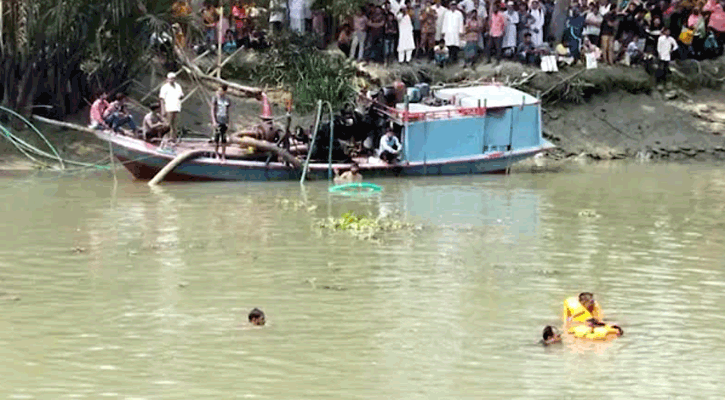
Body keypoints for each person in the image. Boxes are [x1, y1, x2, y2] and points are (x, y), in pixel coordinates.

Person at [159, 72, 184, 144]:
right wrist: (163, 110)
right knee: (167, 125)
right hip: (168, 108)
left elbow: (181, 95)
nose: (171, 80)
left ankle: (173, 140)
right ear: (167, 79)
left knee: (175, 126)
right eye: (170, 79)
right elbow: (162, 99)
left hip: (176, 108)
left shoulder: (178, 86)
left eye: (173, 79)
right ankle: (166, 140)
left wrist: (181, 97)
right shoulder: (165, 87)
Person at [211, 84, 231, 161]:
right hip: (218, 120)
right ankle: (216, 154)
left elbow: (228, 111)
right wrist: (214, 121)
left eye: (221, 91)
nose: (219, 92)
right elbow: (212, 110)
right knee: (216, 138)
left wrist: (228, 122)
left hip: (224, 120)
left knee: (224, 139)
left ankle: (223, 155)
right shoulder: (215, 98)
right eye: (218, 90)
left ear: (225, 91)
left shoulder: (227, 99)